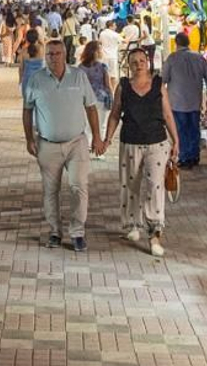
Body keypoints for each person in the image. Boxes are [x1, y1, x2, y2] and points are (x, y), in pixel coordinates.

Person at [22, 39, 103, 252]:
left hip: (76, 142)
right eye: (49, 54)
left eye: (57, 53)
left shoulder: (78, 76)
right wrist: (29, 138)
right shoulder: (36, 80)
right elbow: (27, 109)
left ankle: (77, 232)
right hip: (47, 144)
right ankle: (55, 231)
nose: (53, 58)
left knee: (79, 186)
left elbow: (91, 107)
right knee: (50, 190)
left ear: (64, 55)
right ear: (44, 56)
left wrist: (97, 136)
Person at [100, 47, 178, 256]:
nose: (139, 64)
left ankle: (155, 233)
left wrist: (176, 140)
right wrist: (107, 138)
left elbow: (168, 114)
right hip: (131, 141)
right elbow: (115, 114)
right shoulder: (123, 87)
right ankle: (133, 224)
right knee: (130, 184)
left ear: (148, 62)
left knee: (155, 185)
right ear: (129, 65)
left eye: (142, 60)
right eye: (134, 62)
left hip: (157, 142)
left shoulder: (158, 85)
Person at [161, 32, 207, 168]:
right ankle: (194, 155)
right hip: (194, 101)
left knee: (180, 130)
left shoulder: (172, 59)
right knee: (193, 129)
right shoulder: (199, 58)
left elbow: (163, 79)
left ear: (176, 43)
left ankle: (185, 157)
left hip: (177, 101)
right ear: (188, 43)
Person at [79, 40, 114, 113]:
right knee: (100, 123)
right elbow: (108, 85)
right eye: (100, 50)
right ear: (95, 52)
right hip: (100, 99)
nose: (102, 52)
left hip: (85, 100)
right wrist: (111, 98)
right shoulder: (102, 67)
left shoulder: (80, 68)